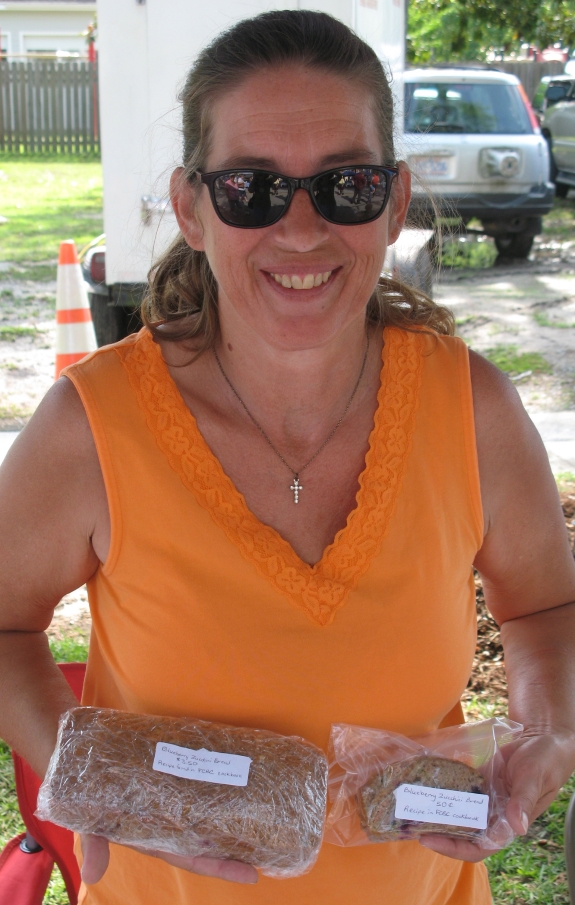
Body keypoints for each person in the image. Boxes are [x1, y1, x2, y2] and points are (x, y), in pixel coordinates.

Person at [0, 10, 574, 905]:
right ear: (192, 208)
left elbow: (544, 605)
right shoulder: (92, 426)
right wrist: (85, 771)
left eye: (344, 184)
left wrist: (547, 729)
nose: (300, 229)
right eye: (251, 189)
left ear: (390, 201)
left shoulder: (473, 411)